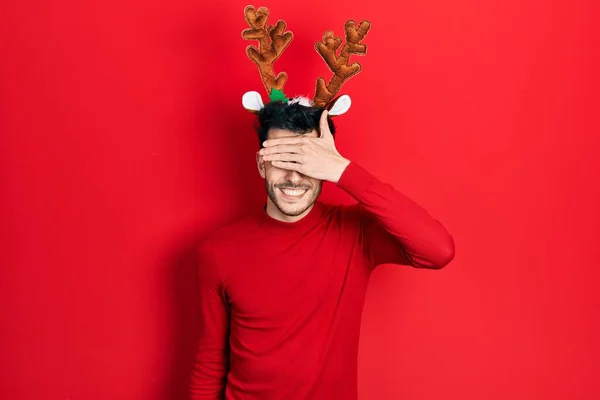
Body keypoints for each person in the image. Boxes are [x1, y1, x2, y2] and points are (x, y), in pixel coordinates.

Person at [188, 100, 455, 400]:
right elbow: (211, 360)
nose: (293, 176)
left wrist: (344, 170)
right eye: (282, 160)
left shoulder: (356, 234)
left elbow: (438, 249)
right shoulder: (217, 250)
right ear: (261, 164)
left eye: (305, 161)